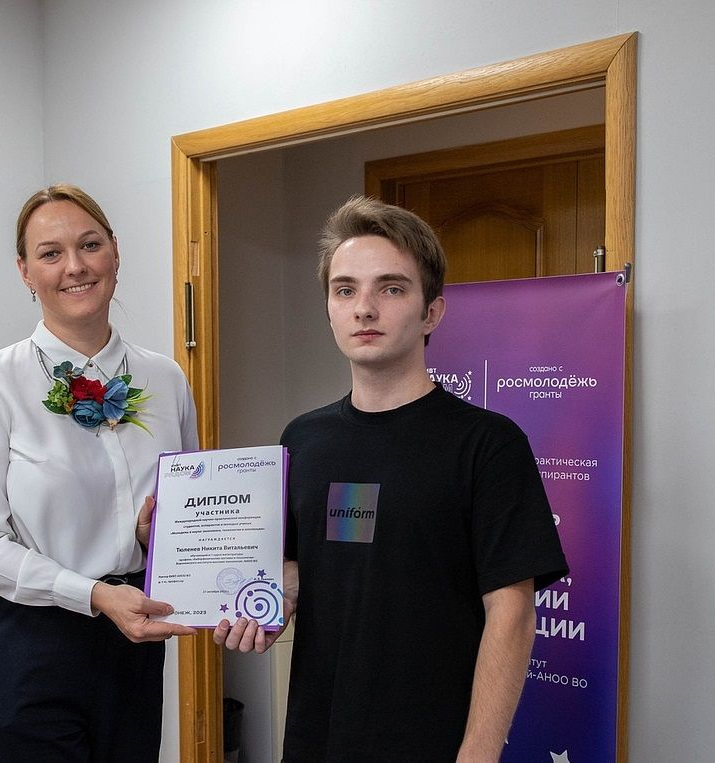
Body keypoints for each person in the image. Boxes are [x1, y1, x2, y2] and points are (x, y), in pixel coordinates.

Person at [214, 196, 568, 762]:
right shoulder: (303, 439)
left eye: (392, 288)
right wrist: (270, 602)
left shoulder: (488, 445)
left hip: (433, 743)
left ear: (432, 313)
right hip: (316, 739)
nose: (364, 308)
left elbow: (512, 614)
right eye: (345, 290)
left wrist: (477, 754)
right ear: (329, 310)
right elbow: (306, 563)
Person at [0, 183, 198, 762]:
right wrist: (94, 595)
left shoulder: (165, 378)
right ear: (25, 272)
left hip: (131, 641)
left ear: (115, 253)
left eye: (89, 245)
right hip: (24, 643)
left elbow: (185, 512)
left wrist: (155, 536)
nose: (75, 266)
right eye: (50, 253)